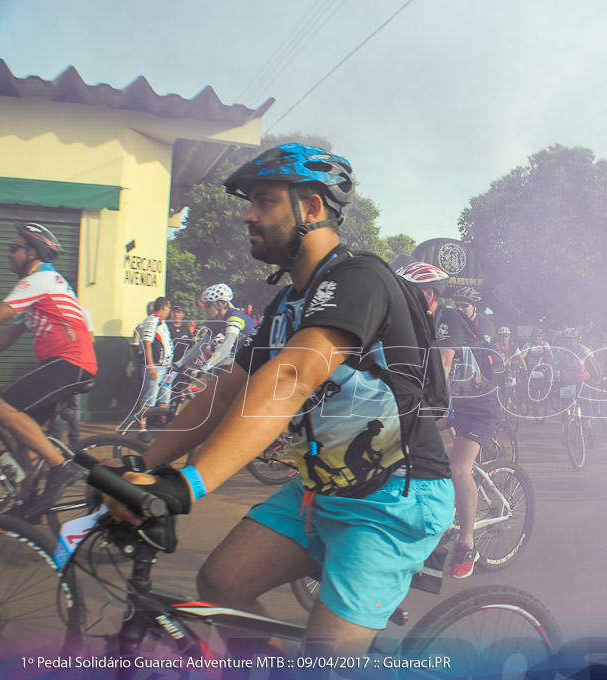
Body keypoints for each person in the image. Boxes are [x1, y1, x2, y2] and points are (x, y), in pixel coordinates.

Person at [103, 143, 454, 656]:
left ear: (311, 207)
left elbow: (293, 375)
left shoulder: (361, 279)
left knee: (326, 657)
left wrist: (189, 484)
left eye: (264, 201)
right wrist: (145, 462)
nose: (248, 214)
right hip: (318, 492)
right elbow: (228, 390)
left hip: (393, 500)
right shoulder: (290, 301)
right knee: (222, 584)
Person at [0, 223, 95, 510]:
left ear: (32, 252)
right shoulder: (42, 291)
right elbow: (4, 338)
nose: (9, 254)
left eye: (14, 248)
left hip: (69, 362)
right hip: (67, 364)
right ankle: (29, 503)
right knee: (25, 432)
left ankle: (61, 466)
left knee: (1, 408)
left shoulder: (39, 279)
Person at [435, 289, 503, 578]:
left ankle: (467, 543)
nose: (460, 310)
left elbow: (444, 367)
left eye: (465, 306)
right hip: (454, 404)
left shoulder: (472, 330)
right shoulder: (440, 329)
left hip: (480, 407)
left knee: (459, 468)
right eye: (457, 305)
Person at [191, 284, 257, 374]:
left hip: (258, 357)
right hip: (244, 355)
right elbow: (201, 345)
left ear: (219, 304)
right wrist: (179, 364)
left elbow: (225, 350)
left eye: (208, 306)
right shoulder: (217, 320)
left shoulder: (234, 318)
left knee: (222, 370)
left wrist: (204, 368)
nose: (205, 310)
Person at [135, 296, 173, 424]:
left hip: (165, 366)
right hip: (156, 366)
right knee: (148, 399)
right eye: (169, 307)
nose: (169, 310)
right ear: (164, 306)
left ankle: (163, 425)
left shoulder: (162, 322)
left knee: (165, 398)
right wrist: (150, 366)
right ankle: (141, 429)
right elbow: (147, 343)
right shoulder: (152, 321)